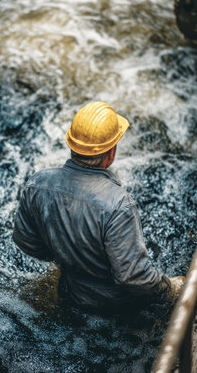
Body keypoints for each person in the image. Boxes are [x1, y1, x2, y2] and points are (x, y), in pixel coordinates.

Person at [13, 101, 185, 313]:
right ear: (110, 153)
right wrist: (169, 288)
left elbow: (25, 241)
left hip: (70, 295)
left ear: (71, 144)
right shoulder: (118, 203)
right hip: (119, 308)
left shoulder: (37, 184)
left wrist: (65, 255)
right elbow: (133, 277)